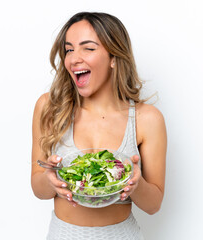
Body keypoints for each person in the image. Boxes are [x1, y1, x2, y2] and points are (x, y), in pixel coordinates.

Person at [31, 12, 167, 240]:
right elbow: (38, 188)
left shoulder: (147, 119)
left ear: (114, 57)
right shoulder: (50, 107)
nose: (74, 58)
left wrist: (136, 183)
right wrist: (50, 180)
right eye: (69, 49)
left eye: (88, 48)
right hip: (64, 234)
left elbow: (154, 205)